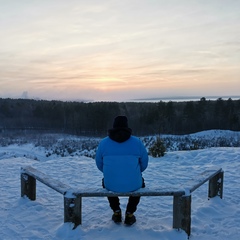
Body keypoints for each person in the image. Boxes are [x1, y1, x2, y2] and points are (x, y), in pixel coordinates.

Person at [95, 115, 149, 225]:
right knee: (140, 184)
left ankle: (116, 212)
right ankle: (130, 213)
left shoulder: (104, 143)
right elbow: (144, 163)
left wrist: (110, 173)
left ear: (113, 126)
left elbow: (99, 164)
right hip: (133, 184)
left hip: (111, 184)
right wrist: (136, 172)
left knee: (106, 183)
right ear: (127, 126)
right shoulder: (137, 142)